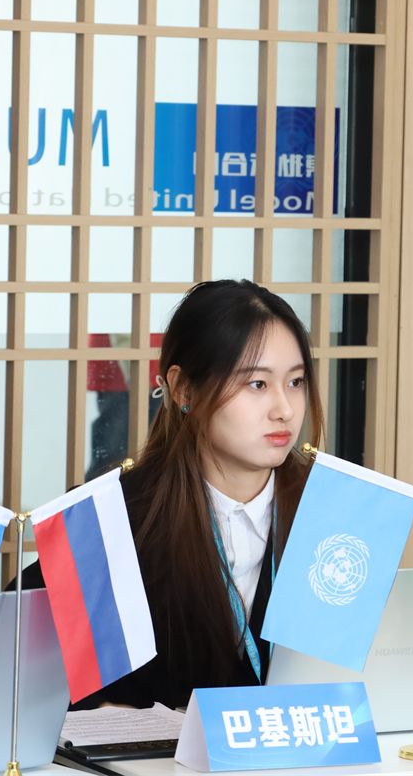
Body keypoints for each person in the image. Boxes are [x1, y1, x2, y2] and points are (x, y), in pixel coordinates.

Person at [16, 279, 325, 709]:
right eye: (257, 384)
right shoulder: (110, 519)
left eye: (295, 382)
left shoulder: (329, 513)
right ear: (183, 389)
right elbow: (18, 663)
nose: (285, 409)